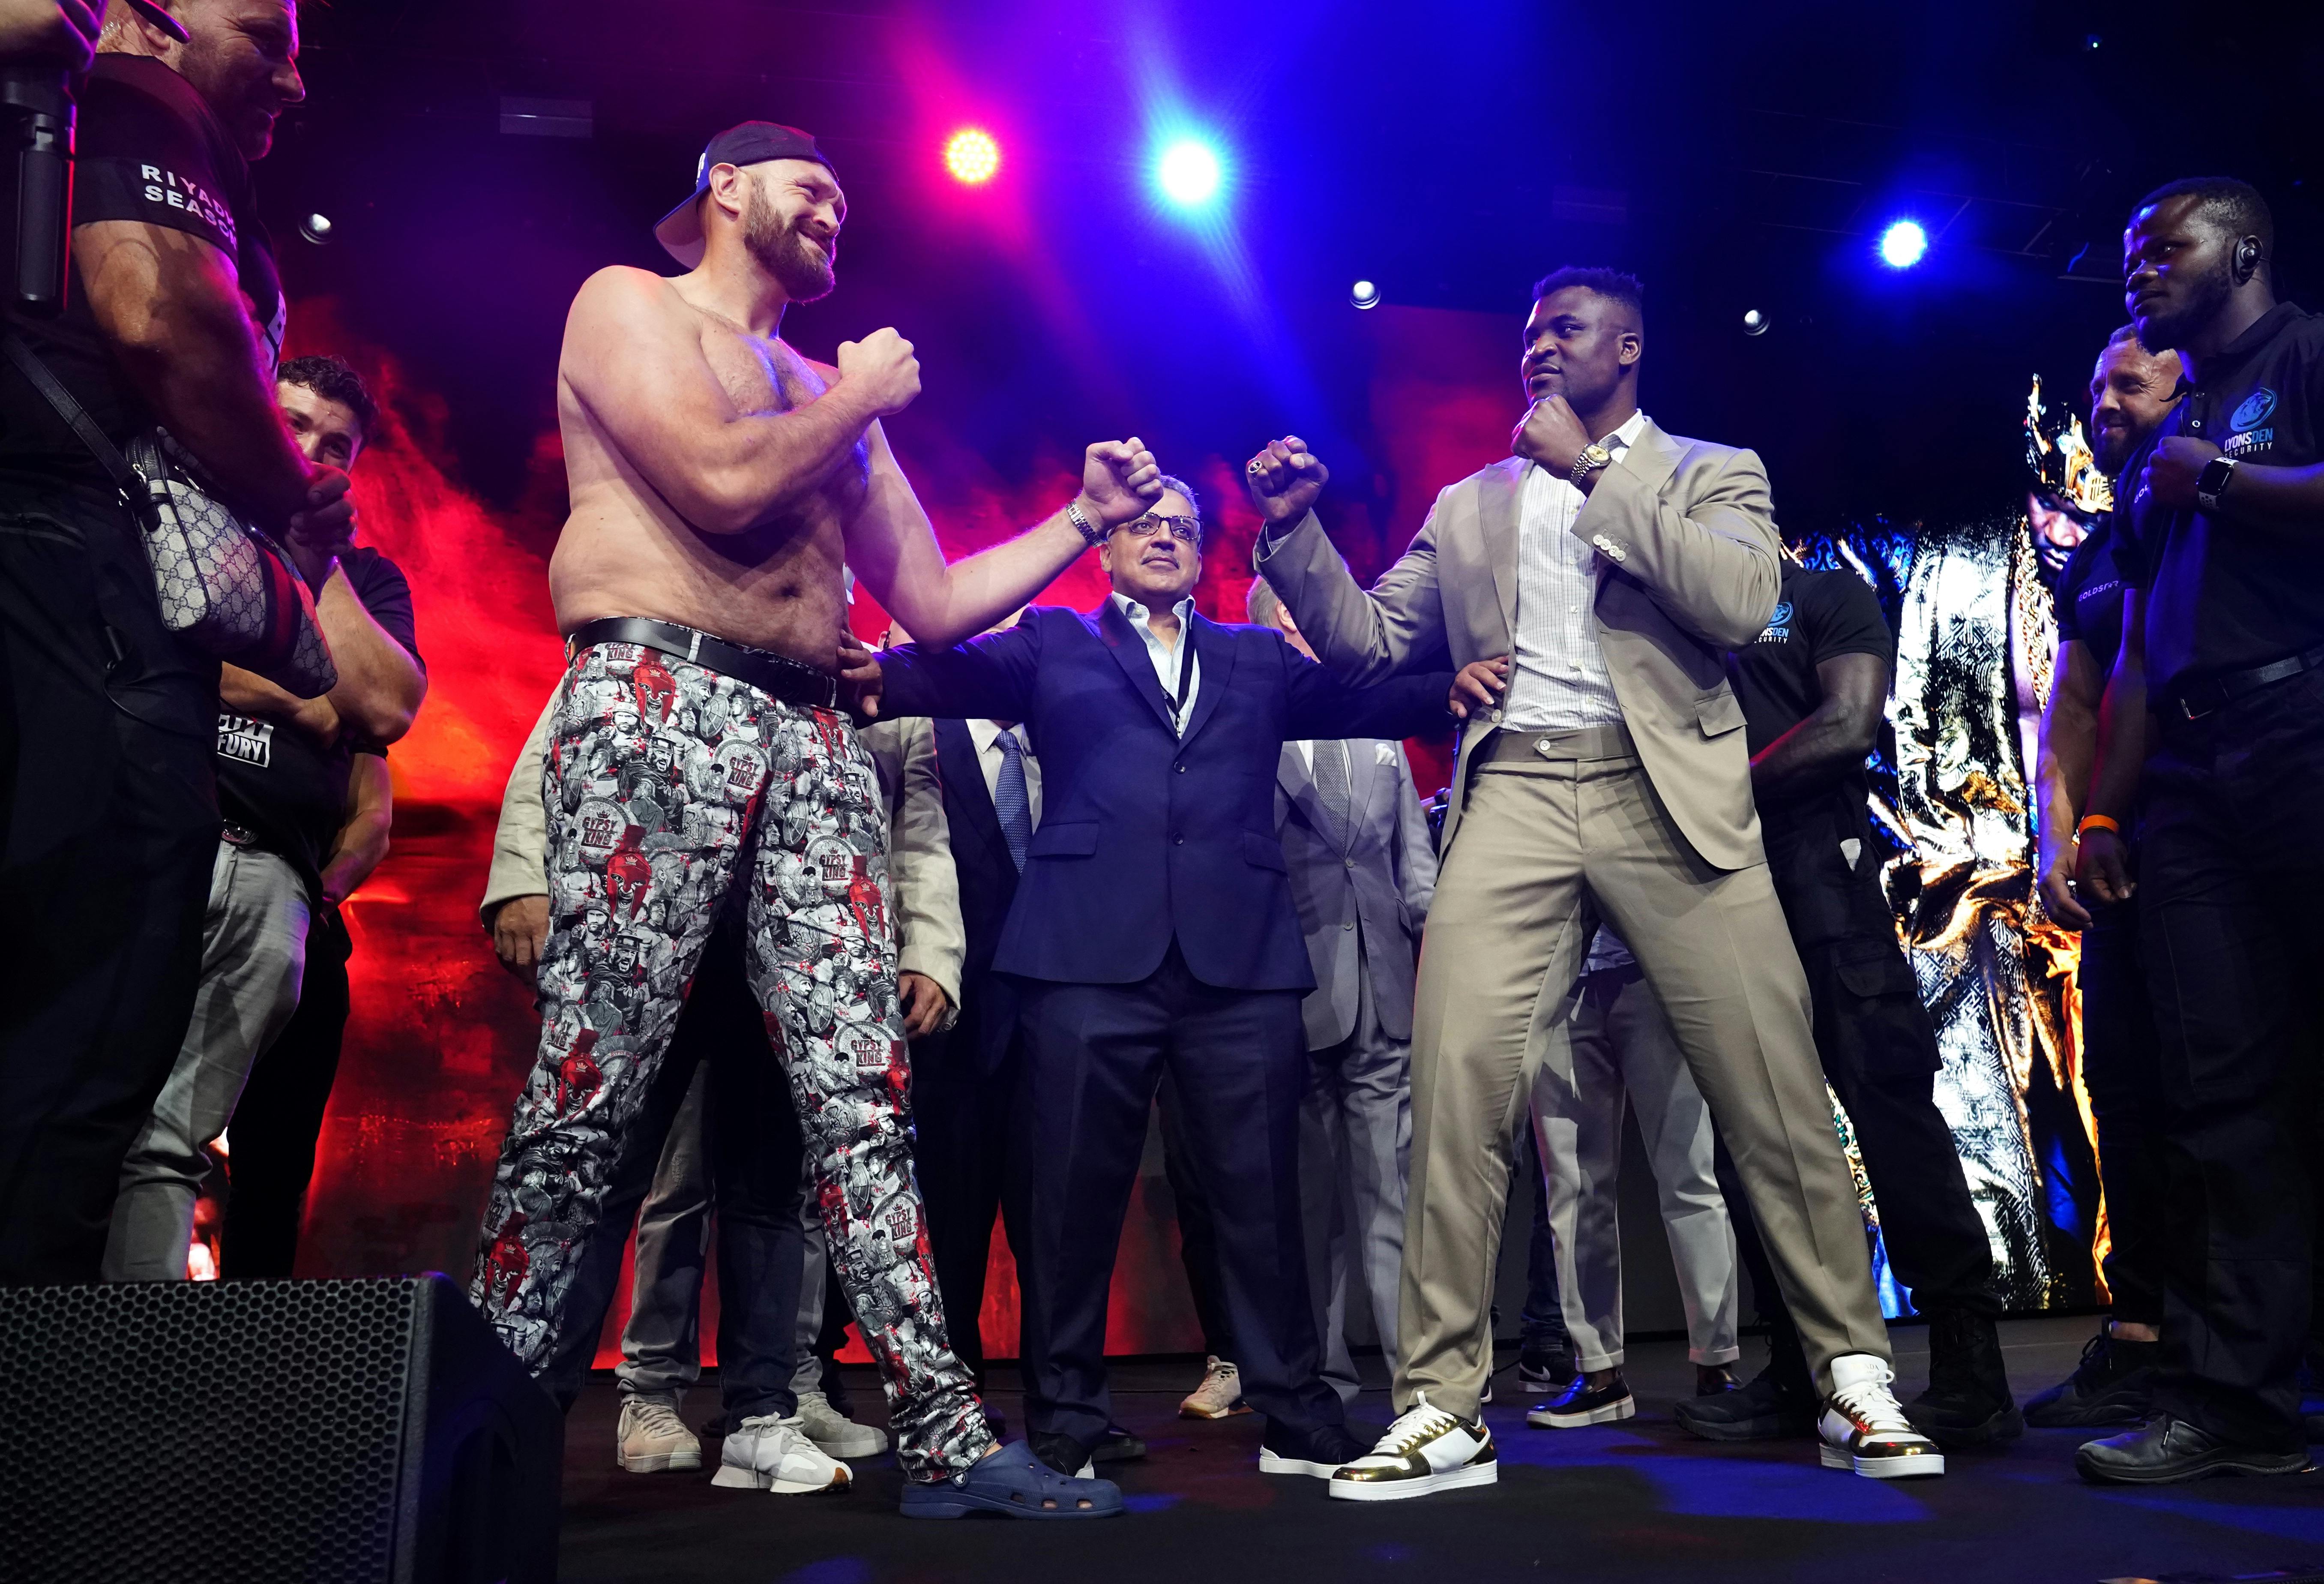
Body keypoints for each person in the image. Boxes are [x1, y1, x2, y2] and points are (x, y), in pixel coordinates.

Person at [467, 117, 1162, 1520]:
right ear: (722, 187)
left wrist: (1081, 522)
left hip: (814, 732)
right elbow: (717, 480)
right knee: (590, 1101)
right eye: (810, 186)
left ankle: (952, 1438)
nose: (835, 210)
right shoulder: (630, 304)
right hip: (657, 695)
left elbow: (942, 601)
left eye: (847, 196)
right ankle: (481, 1431)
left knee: (861, 1101)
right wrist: (856, 403)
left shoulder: (815, 385)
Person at [1249, 265, 1938, 1497]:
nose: (1536, 349)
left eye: (1562, 330)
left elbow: (1737, 599)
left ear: (1628, 346)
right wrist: (1294, 535)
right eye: (1525, 334)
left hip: (1662, 784)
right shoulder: (1469, 503)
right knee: (1456, 1083)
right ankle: (1442, 1406)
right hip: (1513, 786)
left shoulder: (1712, 470)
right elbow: (1365, 648)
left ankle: (1851, 1373)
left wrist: (1590, 471)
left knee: (1772, 1081)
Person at [864, 476, 1453, 1485]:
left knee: (1262, 1201)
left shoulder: (1254, 655)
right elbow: (930, 672)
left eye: (1182, 529)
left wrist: (1455, 680)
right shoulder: (1052, 641)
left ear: (1202, 555)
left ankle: (1295, 1413)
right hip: (1085, 956)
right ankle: (1067, 1419)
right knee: (1067, 1201)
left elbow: (1372, 691)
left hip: (1239, 963)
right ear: (1107, 545)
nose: (1165, 540)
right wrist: (840, 666)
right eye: (1145, 526)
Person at [0, 0, 351, 1284]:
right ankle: (35, 1453)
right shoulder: (143, 104)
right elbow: (163, 311)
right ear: (150, 13)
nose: (293, 79)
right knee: (86, 1035)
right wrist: (281, 497)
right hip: (80, 601)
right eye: (266, 34)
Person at [476, 669, 949, 1476]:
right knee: (608, 1168)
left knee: (769, 1184)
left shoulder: (858, 675)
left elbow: (915, 832)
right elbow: (564, 733)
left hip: (789, 945)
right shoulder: (670, 617)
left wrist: (928, 948)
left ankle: (762, 1413)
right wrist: (519, 875)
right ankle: (533, 1421)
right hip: (653, 926)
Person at [2075, 177, 2324, 1485]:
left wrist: (2222, 475)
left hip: (2305, 724)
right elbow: (2128, 655)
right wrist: (2108, 802)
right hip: (2186, 767)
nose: (2137, 267)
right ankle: (2233, 1401)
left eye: (2161, 246)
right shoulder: (2160, 437)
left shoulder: (2303, 353)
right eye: (2125, 253)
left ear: (2240, 246)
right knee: (2218, 1087)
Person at [1674, 554, 2016, 1451]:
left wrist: (1715, 793)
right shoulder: (1681, 610)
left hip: (1824, 875)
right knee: (1754, 1136)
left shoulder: (1823, 596)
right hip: (1718, 887)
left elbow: (1849, 722)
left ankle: (1970, 1370)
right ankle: (1798, 1372)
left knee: (1891, 1110)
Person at [198, 357, 410, 1280]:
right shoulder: (182, 520)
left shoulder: (364, 579)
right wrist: (300, 701)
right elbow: (155, 667)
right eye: (293, 427)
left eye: (337, 448)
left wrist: (310, 555)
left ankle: (237, 1386)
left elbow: (380, 714)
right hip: (166, 860)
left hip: (292, 895)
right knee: (139, 1137)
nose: (312, 455)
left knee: (273, 1172)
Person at [2023, 326, 2183, 1427]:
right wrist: (2054, 836)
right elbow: (2073, 702)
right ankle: (2140, 1334)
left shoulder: (2204, 501)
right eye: (2092, 388)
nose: (2103, 402)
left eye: (2128, 380)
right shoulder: (2098, 540)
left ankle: (2239, 1348)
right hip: (2115, 849)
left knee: (2221, 1090)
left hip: (2208, 823)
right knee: (2122, 1082)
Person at [1246, 574, 1436, 1408]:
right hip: (1292, 991)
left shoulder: (1379, 730)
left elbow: (1414, 868)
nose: (1299, 628)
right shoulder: (1250, 735)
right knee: (1308, 1201)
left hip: (1386, 983)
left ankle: (1415, 1371)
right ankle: (1320, 1370)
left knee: (1391, 1190)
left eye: (1307, 615)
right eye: (1281, 620)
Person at [1526, 925, 1741, 1428]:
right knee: (1575, 1186)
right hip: (1560, 981)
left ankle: (1718, 1364)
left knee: (1689, 1174)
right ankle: (1599, 1372)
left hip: (1652, 970)